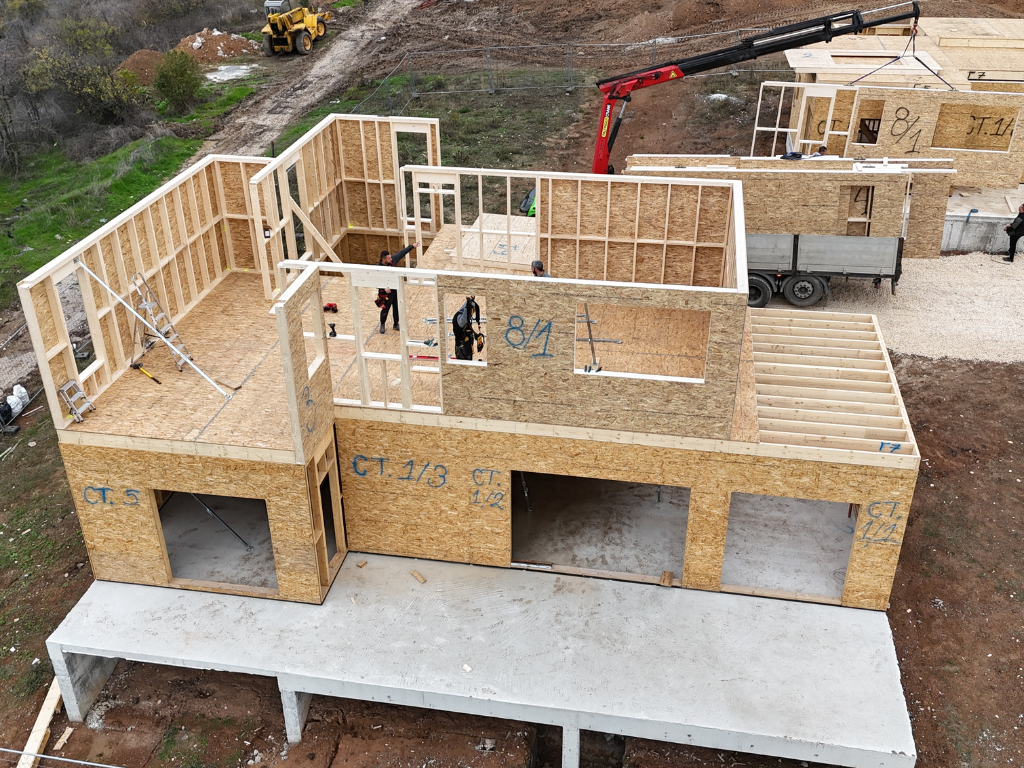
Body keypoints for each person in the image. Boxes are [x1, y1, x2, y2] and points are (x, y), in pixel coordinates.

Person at [375, 242, 420, 333]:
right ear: (383, 260)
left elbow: (401, 253)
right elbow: (375, 280)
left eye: (391, 257)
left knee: (396, 307)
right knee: (385, 308)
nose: (391, 259)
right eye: (389, 258)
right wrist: (384, 287)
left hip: (395, 289)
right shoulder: (378, 268)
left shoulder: (392, 261)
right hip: (385, 292)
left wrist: (412, 246)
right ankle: (382, 324)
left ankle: (396, 324)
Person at [452, 296, 484, 360]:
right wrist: (469, 304)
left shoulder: (463, 317)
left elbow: (468, 329)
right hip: (462, 351)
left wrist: (477, 336)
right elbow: (465, 320)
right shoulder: (460, 319)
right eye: (473, 310)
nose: (473, 312)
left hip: (466, 349)